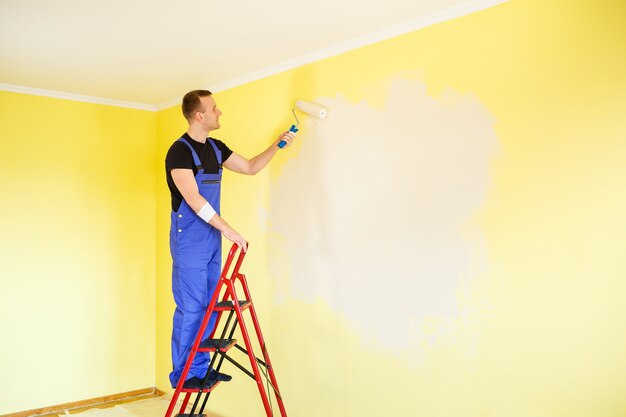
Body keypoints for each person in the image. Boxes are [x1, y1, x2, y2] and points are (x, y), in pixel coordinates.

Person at [165, 89, 295, 389]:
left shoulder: (216, 148)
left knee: (210, 304)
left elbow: (250, 167)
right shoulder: (179, 152)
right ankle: (184, 375)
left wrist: (277, 144)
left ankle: (200, 367)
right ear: (199, 115)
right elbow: (193, 198)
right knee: (191, 305)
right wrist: (228, 229)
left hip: (210, 236)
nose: (219, 112)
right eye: (214, 108)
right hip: (190, 238)